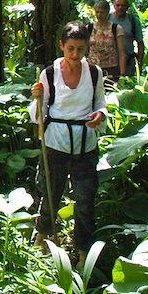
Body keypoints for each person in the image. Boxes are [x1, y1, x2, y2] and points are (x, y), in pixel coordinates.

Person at [29, 22, 106, 267]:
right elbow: (37, 116)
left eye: (80, 49)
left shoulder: (94, 73)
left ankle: (83, 250)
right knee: (51, 193)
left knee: (85, 199)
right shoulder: (49, 73)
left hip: (85, 144)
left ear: (87, 48)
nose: (75, 55)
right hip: (56, 142)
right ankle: (44, 238)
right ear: (61, 46)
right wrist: (37, 98)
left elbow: (100, 104)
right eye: (70, 48)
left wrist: (100, 117)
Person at [87, 0, 126, 82]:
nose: (99, 15)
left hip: (111, 69)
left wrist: (122, 75)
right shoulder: (89, 28)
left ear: (107, 12)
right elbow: (84, 49)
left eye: (102, 12)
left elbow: (121, 52)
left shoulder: (116, 28)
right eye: (97, 12)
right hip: (92, 68)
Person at [110, 0, 144, 76]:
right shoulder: (108, 19)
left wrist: (140, 62)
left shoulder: (133, 21)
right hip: (110, 63)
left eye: (123, 5)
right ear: (114, 6)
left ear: (127, 7)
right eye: (118, 5)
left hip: (128, 62)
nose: (120, 8)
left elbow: (140, 42)